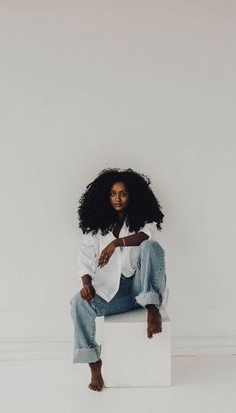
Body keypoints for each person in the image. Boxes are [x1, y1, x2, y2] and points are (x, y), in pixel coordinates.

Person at [70, 167, 167, 392]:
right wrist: (86, 283)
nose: (117, 198)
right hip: (115, 294)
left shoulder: (142, 221)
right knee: (78, 302)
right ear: (105, 197)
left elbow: (147, 237)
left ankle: (152, 307)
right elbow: (85, 256)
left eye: (123, 193)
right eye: (113, 193)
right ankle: (94, 364)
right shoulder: (96, 228)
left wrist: (116, 244)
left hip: (140, 285)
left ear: (132, 196)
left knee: (151, 247)